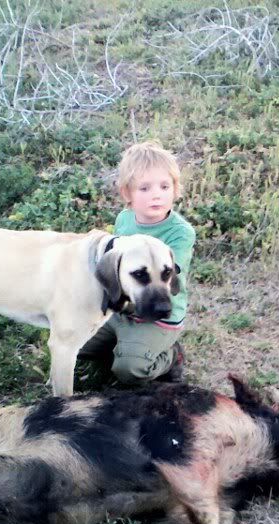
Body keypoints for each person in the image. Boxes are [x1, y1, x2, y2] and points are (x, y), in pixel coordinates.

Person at [81, 140, 195, 383]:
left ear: (175, 189)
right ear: (127, 194)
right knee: (76, 346)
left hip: (160, 314)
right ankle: (124, 346)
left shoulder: (181, 233)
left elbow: (172, 274)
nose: (156, 195)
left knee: (129, 370)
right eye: (145, 188)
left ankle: (171, 357)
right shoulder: (124, 219)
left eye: (164, 186)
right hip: (121, 310)